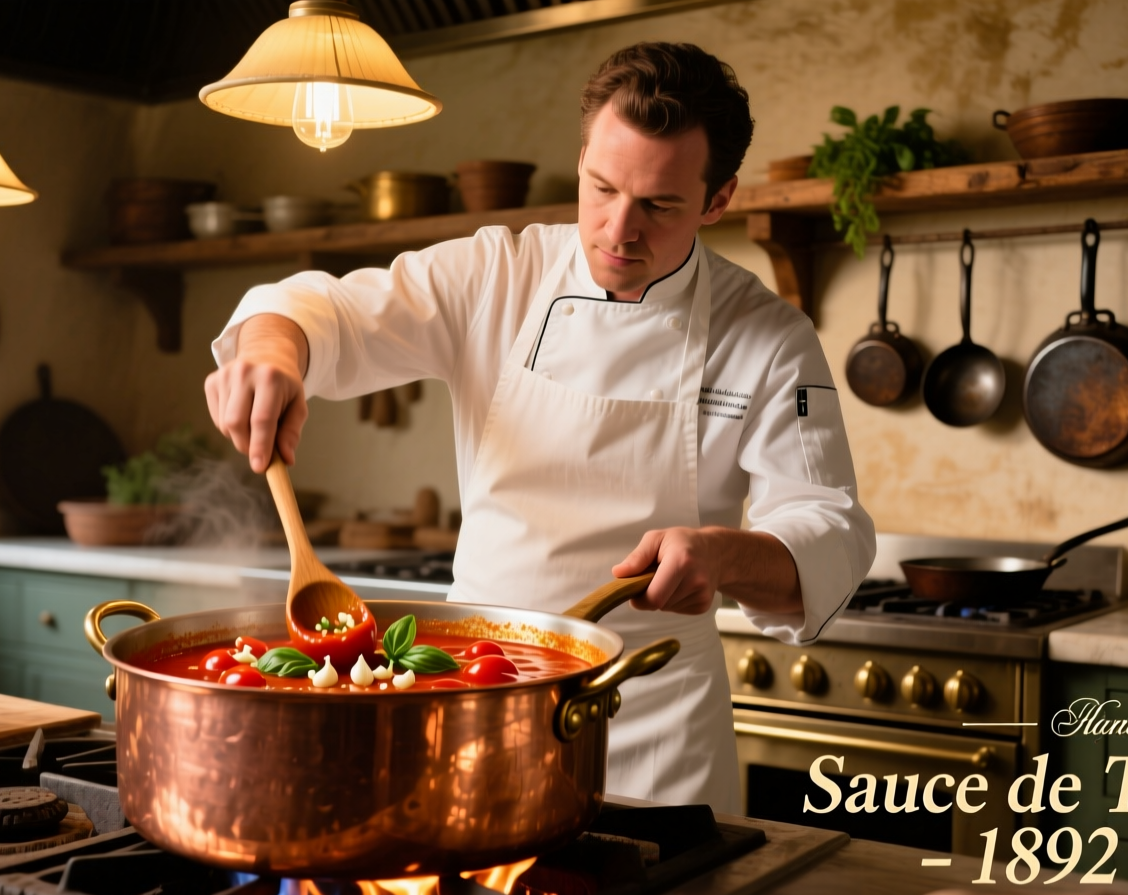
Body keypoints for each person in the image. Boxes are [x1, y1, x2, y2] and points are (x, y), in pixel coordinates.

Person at [205, 42, 874, 813]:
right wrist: (272, 352)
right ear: (583, 158)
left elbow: (830, 529)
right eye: (601, 188)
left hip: (652, 717)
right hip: (476, 690)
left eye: (659, 206)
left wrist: (724, 555)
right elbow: (324, 308)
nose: (618, 230)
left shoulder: (768, 337)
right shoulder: (497, 274)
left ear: (717, 200)